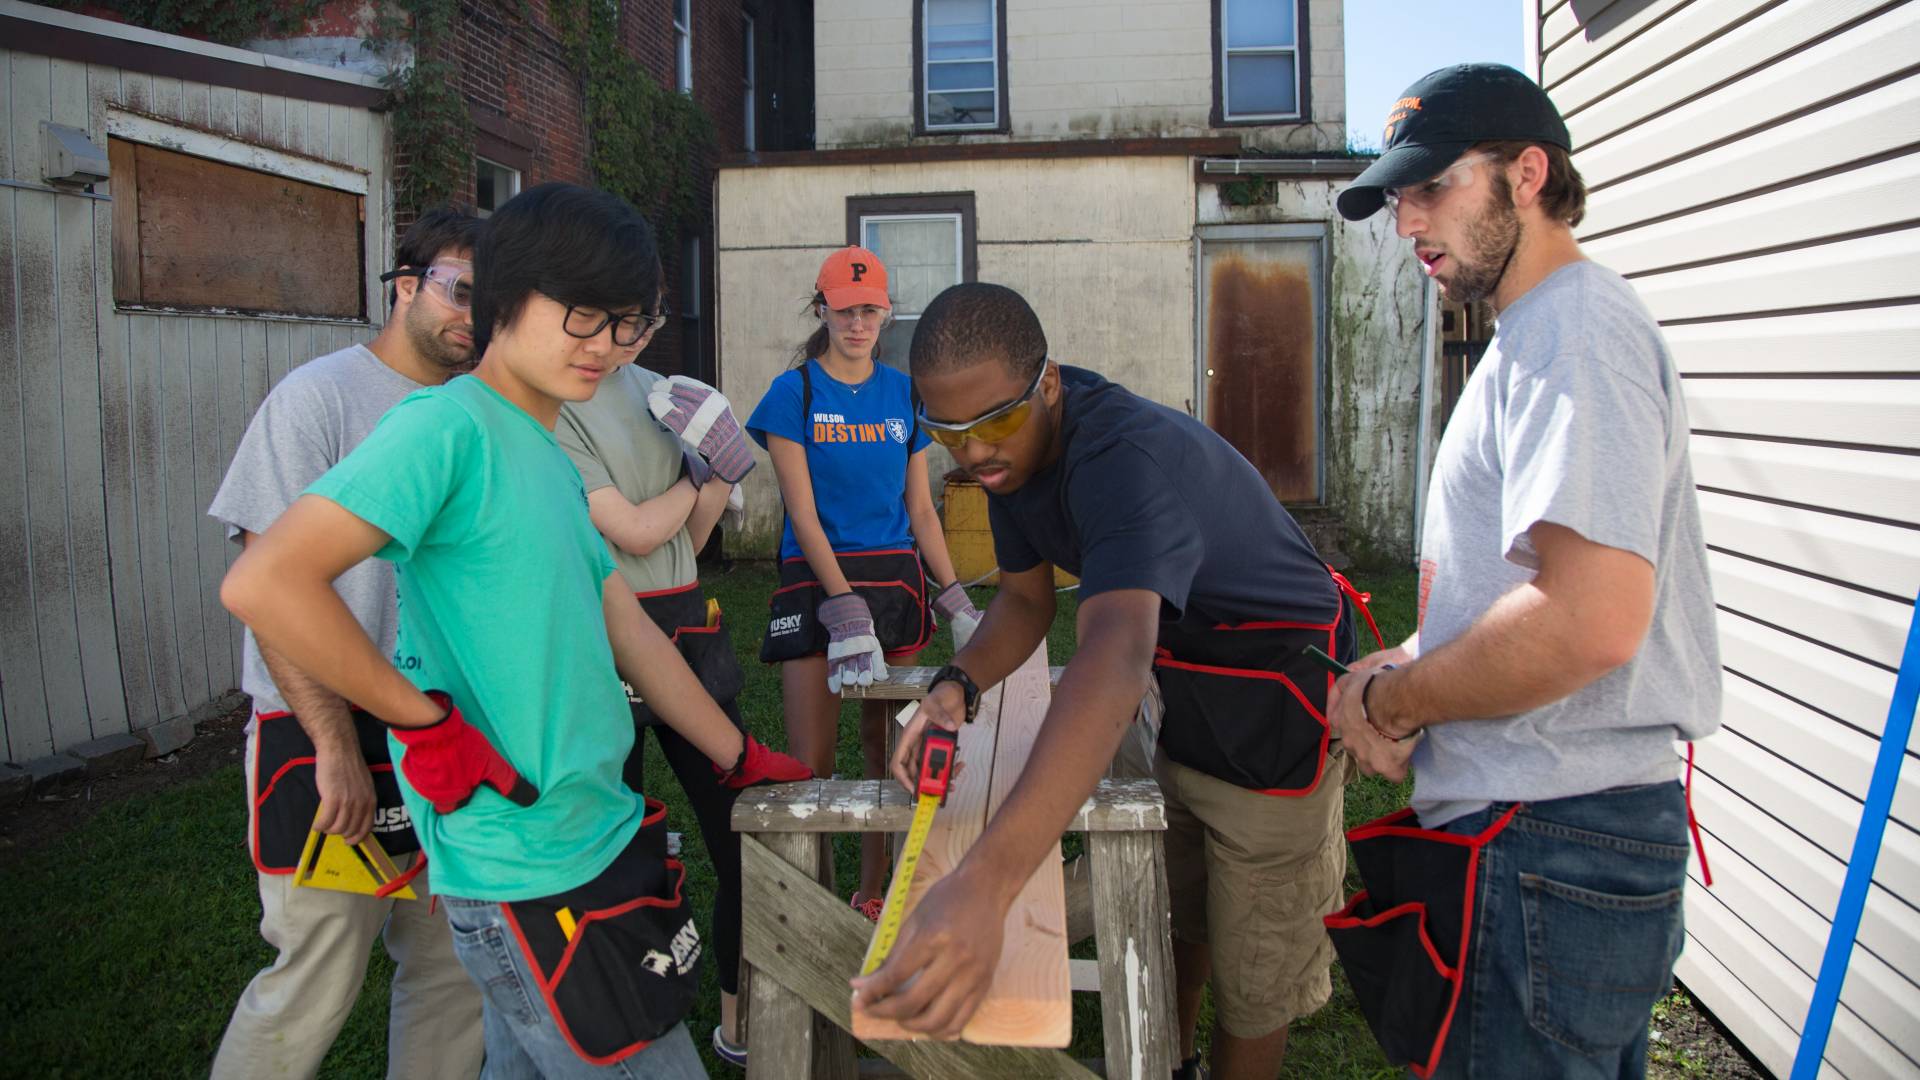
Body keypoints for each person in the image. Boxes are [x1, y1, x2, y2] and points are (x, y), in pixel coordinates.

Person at [220, 183, 811, 1079]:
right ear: (504, 297)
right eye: (583, 316)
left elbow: (629, 628)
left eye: (627, 322)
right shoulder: (445, 429)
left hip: (595, 835)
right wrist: (424, 722)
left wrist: (737, 754)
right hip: (526, 864)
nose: (607, 346)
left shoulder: (544, 446)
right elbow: (267, 581)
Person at [856, 283, 1376, 1080]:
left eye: (993, 422)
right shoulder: (1011, 460)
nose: (974, 453)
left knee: (1257, 967)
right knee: (1187, 910)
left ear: (1049, 383)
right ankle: (1176, 1061)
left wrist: (987, 885)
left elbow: (1115, 656)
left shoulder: (1121, 462)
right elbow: (1026, 602)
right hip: (1194, 698)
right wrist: (956, 684)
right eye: (946, 432)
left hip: (1279, 705)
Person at [1327, 63, 1720, 1079]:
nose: (1409, 220)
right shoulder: (1530, 342)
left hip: (1551, 841)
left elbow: (1588, 620)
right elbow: (1509, 600)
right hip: (1549, 844)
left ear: (1528, 173)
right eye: (1398, 198)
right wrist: (1388, 674)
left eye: (1433, 187)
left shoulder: (1575, 335)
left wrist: (1403, 700)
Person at [207, 206, 484, 1080]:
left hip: (438, 733)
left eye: (493, 298)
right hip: (323, 731)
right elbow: (269, 588)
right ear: (406, 286)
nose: (473, 315)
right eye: (458, 289)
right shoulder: (317, 397)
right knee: (317, 976)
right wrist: (331, 745)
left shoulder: (478, 410)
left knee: (451, 974)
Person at [744, 246, 981, 919]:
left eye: (870, 309)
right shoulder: (795, 393)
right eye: (844, 310)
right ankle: (812, 897)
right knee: (811, 763)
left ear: (886, 311)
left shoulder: (904, 392)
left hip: (895, 584)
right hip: (817, 584)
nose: (857, 322)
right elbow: (802, 513)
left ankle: (876, 892)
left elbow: (921, 510)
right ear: (821, 309)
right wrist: (842, 606)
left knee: (889, 752)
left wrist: (956, 598)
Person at [556, 345, 754, 1065]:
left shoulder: (666, 394)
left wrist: (714, 476)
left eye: (647, 317)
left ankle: (740, 1025)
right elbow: (635, 533)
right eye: (620, 313)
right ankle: (620, 1018)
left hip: (685, 632)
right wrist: (704, 472)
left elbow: (687, 544)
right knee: (614, 849)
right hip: (602, 637)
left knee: (742, 833)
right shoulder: (556, 391)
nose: (630, 334)